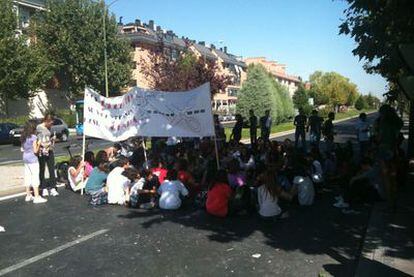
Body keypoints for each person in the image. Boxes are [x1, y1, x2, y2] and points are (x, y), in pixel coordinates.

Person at [21, 121, 47, 204]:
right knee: (35, 177)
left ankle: (28, 195)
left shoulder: (24, 136)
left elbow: (22, 149)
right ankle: (37, 196)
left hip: (25, 158)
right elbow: (35, 151)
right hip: (33, 159)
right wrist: (39, 143)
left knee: (27, 176)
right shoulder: (33, 137)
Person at [37, 113, 59, 197]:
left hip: (49, 150)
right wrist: (43, 145)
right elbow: (39, 140)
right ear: (46, 121)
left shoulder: (49, 128)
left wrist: (52, 139)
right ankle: (44, 188)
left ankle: (53, 187)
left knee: (51, 169)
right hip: (42, 151)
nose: (51, 125)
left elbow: (47, 138)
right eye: (50, 123)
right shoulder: (39, 127)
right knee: (42, 169)